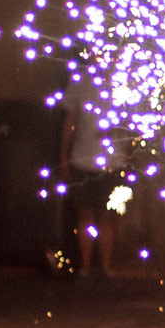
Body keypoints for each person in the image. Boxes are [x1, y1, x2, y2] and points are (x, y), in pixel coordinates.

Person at [59, 79, 128, 280]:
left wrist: (128, 157)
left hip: (113, 162)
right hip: (83, 160)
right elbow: (70, 120)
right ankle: (86, 266)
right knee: (86, 214)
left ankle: (104, 266)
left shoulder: (124, 81)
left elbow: (129, 124)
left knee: (108, 216)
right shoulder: (80, 80)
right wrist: (64, 156)